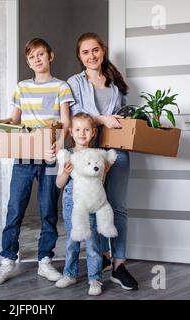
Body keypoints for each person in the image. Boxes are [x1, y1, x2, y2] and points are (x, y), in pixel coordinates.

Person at [0, 38, 74, 286]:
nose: (37, 59)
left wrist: (60, 140)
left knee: (48, 209)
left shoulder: (61, 87)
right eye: (32, 56)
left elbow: (66, 122)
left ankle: (45, 261)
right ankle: (7, 261)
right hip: (24, 157)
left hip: (49, 157)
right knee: (15, 208)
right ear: (28, 61)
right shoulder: (22, 87)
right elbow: (15, 121)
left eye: (41, 54)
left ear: (51, 56)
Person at [67, 32, 139, 290]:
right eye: (85, 52)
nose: (91, 55)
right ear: (80, 56)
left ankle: (118, 265)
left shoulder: (115, 82)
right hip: (89, 154)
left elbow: (124, 115)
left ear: (103, 50)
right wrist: (100, 120)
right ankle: (102, 261)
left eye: (95, 50)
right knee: (91, 205)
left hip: (117, 151)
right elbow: (75, 118)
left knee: (117, 207)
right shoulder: (74, 82)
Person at [55, 112, 112, 296]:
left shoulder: (97, 156)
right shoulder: (66, 155)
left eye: (86, 130)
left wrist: (104, 172)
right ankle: (69, 274)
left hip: (92, 203)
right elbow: (59, 183)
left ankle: (95, 279)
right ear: (71, 132)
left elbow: (99, 185)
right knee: (72, 242)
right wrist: (64, 172)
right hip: (72, 204)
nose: (82, 133)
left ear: (93, 133)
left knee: (92, 243)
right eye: (78, 129)